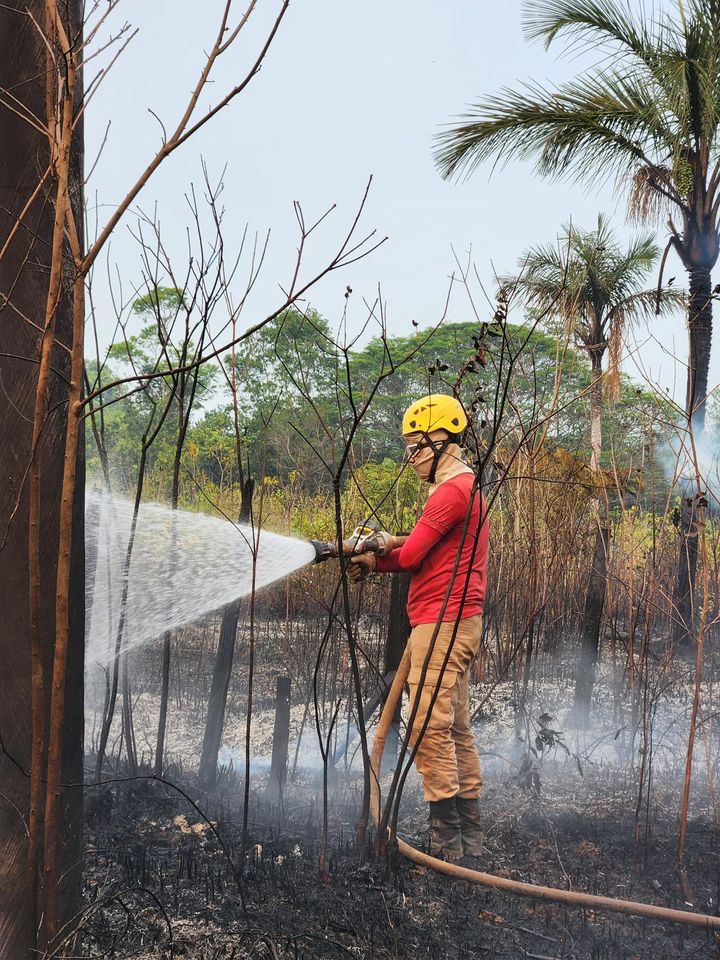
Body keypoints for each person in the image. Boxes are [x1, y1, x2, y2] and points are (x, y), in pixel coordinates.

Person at [348, 394, 489, 861]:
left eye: (416, 447)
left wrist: (375, 551)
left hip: (442, 622)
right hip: (455, 622)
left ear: (443, 440)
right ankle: (469, 837)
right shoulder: (466, 489)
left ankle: (445, 843)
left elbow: (410, 556)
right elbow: (420, 547)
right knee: (456, 729)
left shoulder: (451, 492)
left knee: (427, 728)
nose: (411, 457)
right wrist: (376, 552)